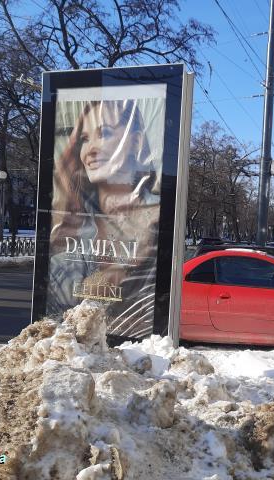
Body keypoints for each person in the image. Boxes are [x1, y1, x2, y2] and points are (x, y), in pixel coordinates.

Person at [47, 99, 162, 339]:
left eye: (105, 133)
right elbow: (57, 319)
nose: (90, 150)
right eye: (84, 139)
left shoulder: (158, 220)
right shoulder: (69, 240)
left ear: (136, 141)